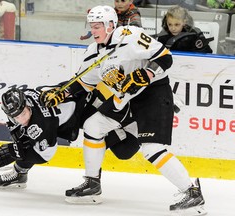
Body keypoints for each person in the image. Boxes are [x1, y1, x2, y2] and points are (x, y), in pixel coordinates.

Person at [41, 5, 206, 214]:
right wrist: (62, 94)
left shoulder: (131, 36)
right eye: (92, 26)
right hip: (124, 98)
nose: (94, 30)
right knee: (93, 125)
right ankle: (92, 184)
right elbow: (83, 83)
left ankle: (192, 192)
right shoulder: (93, 52)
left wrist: (147, 74)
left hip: (152, 93)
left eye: (98, 26)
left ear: (111, 25)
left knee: (151, 148)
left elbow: (165, 57)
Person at [0, 87, 139, 189]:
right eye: (15, 117)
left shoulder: (42, 123)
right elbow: (22, 136)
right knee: (24, 140)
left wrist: (14, 152)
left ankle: (132, 129)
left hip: (91, 108)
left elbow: (44, 155)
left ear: (27, 105)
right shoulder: (23, 102)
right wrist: (16, 149)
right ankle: (19, 173)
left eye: (23, 114)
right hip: (76, 106)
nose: (21, 119)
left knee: (123, 151)